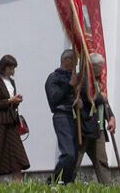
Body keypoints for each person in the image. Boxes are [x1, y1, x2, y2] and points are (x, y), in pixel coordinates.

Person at [0, 54, 29, 183]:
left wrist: (16, 101)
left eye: (13, 69)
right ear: (3, 67)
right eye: (9, 68)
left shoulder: (11, 82)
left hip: (11, 122)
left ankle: (18, 185)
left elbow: (10, 102)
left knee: (16, 155)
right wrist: (9, 100)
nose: (11, 71)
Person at [77, 53, 115, 184]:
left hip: (98, 127)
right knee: (76, 159)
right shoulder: (83, 78)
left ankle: (107, 186)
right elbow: (88, 96)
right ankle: (63, 184)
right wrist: (101, 98)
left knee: (101, 160)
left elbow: (105, 103)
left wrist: (111, 117)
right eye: (100, 67)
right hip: (85, 126)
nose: (101, 70)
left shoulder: (98, 81)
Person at [45, 49, 80, 184]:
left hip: (74, 117)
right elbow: (54, 99)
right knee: (68, 154)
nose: (75, 65)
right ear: (66, 60)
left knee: (74, 155)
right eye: (74, 62)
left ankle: (65, 183)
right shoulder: (54, 77)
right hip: (62, 116)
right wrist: (69, 85)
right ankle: (52, 181)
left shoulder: (73, 77)